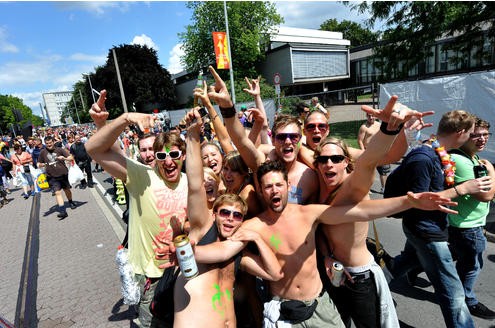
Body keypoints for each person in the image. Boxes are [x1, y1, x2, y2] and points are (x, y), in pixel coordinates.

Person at [207, 159, 456, 327]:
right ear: (260, 191)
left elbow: (361, 211)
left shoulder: (309, 213)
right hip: (283, 310)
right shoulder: (253, 226)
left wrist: (409, 202)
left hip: (320, 305)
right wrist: (187, 251)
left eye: (278, 185)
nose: (274, 191)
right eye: (268, 187)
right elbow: (224, 248)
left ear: (287, 186)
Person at [313, 97, 429, 328]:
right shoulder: (315, 181)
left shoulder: (351, 183)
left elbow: (370, 160)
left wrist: (390, 129)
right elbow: (319, 231)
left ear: (346, 162)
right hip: (333, 274)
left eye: (336, 159)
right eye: (324, 160)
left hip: (359, 277)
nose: (329, 164)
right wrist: (326, 255)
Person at [166, 108, 282, 328]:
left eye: (237, 215)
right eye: (224, 213)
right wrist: (192, 136)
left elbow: (274, 273)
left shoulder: (237, 251)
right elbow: (194, 184)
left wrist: (256, 239)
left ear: (242, 221)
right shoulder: (202, 230)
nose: (230, 219)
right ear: (214, 214)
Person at [85, 90, 188, 328]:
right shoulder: (143, 176)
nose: (168, 161)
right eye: (161, 155)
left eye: (174, 154)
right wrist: (123, 118)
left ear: (183, 154)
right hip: (152, 274)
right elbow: (96, 150)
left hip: (185, 270)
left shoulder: (191, 180)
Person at [387, 110, 492, 328]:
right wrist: (463, 189)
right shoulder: (423, 158)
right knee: (453, 292)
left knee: (409, 262)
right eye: (471, 133)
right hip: (425, 231)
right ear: (461, 132)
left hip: (434, 227)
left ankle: (381, 278)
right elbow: (416, 201)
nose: (474, 138)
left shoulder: (439, 152)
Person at [207, 66, 318, 205]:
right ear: (273, 140)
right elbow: (240, 140)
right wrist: (227, 106)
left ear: (300, 139)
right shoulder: (262, 164)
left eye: (294, 136)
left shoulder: (310, 177)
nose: (288, 141)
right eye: (282, 137)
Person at [448, 117, 495, 320]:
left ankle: (415, 267)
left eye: (486, 134)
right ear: (464, 135)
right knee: (472, 266)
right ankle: (468, 299)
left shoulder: (472, 157)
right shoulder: (462, 161)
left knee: (455, 255)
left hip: (468, 222)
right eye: (476, 135)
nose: (482, 139)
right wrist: (493, 171)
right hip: (467, 226)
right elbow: (486, 194)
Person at [37, 136, 76, 219]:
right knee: (57, 192)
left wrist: (64, 158)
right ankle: (63, 211)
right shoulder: (43, 152)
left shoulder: (60, 149)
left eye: (50, 143)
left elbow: (71, 157)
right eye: (47, 143)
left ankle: (70, 201)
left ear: (53, 142)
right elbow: (38, 163)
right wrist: (41, 165)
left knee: (67, 190)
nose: (49, 145)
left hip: (63, 174)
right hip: (52, 177)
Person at [357, 113, 391, 192]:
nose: (371, 117)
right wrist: (363, 152)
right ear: (366, 116)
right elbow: (359, 141)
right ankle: (366, 189)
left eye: (372, 115)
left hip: (380, 151)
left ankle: (384, 188)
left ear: (375, 116)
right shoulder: (364, 127)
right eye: (369, 116)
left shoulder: (379, 125)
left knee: (383, 171)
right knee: (368, 172)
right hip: (368, 151)